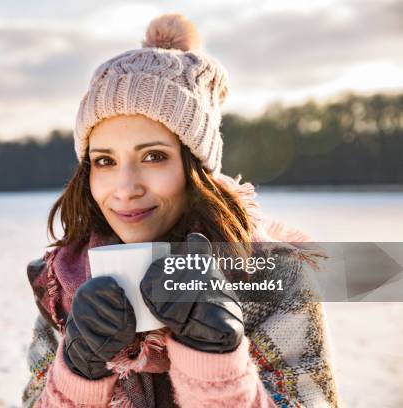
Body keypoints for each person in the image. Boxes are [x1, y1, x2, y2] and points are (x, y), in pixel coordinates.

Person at [22, 13, 340, 407]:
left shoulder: (274, 279)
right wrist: (77, 375)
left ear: (196, 169)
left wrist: (215, 362)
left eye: (154, 156)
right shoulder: (64, 288)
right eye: (104, 161)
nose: (125, 188)